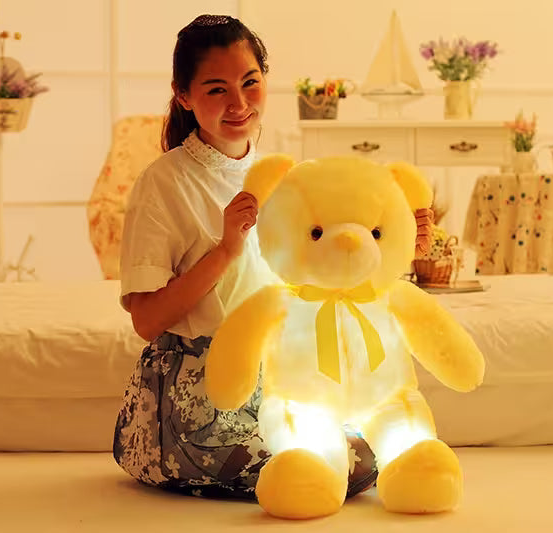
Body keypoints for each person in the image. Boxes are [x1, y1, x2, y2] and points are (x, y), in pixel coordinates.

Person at [112, 13, 434, 500]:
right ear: (183, 95)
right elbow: (147, 319)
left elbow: (329, 274)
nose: (239, 104)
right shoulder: (164, 183)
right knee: (336, 469)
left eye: (250, 82)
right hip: (198, 396)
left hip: (280, 378)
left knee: (380, 447)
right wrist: (226, 249)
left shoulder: (284, 176)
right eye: (217, 89)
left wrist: (403, 242)